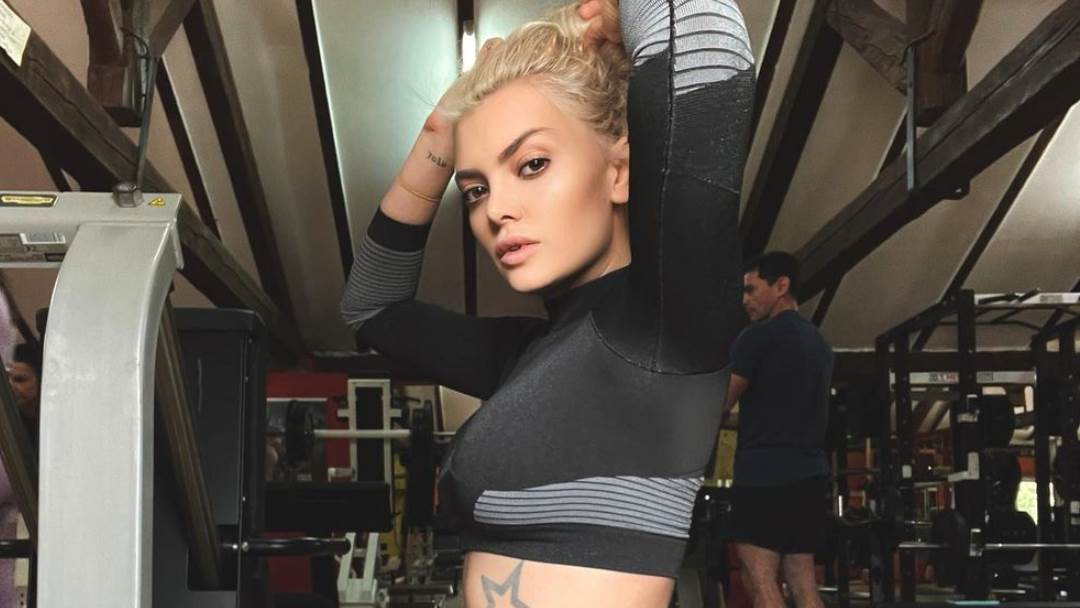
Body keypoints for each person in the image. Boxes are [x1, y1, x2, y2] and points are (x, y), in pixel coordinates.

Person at [340, 0, 753, 605]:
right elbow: (372, 308)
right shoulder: (530, 356)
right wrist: (439, 132)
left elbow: (703, 31)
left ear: (620, 171)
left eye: (531, 164)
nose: (496, 210)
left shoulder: (664, 321)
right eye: (476, 189)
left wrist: (613, 15)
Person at [723, 252, 833, 608]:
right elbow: (784, 412)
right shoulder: (819, 343)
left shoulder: (757, 337)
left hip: (764, 478)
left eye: (752, 290)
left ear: (781, 286)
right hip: (809, 478)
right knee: (804, 585)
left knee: (761, 582)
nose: (745, 300)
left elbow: (721, 403)